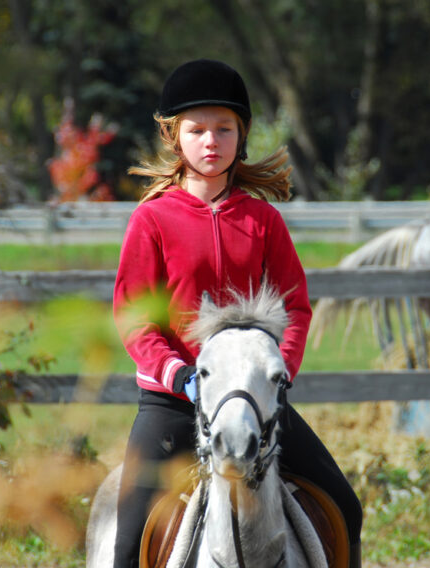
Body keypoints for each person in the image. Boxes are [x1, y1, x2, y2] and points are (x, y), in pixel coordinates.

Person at [112, 58, 362, 568]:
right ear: (173, 136)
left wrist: (279, 372)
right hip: (174, 403)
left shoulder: (264, 221)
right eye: (197, 129)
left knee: (345, 506)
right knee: (128, 534)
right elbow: (134, 316)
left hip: (253, 401)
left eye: (223, 129)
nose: (211, 141)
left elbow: (294, 305)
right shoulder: (151, 221)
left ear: (240, 135)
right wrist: (177, 373)